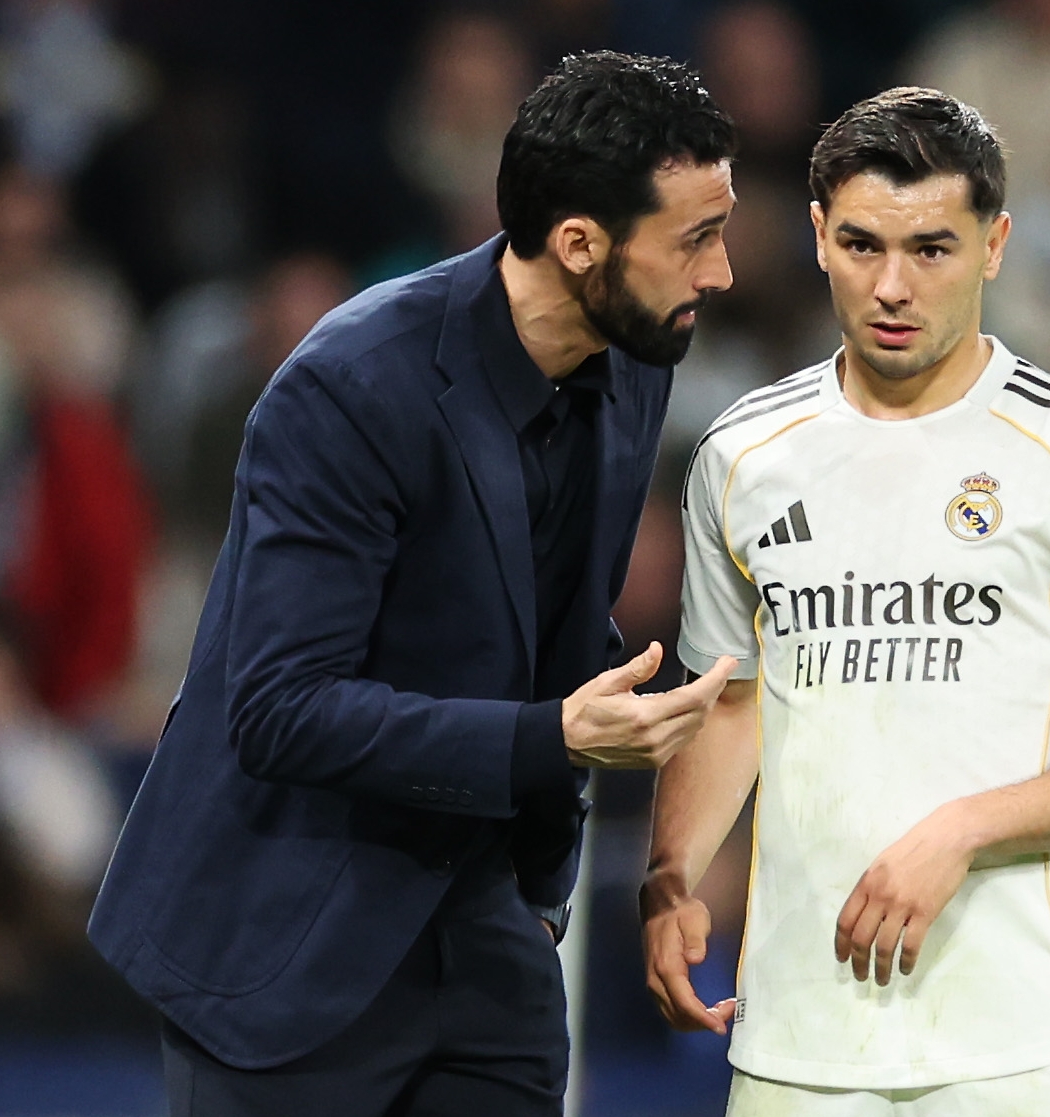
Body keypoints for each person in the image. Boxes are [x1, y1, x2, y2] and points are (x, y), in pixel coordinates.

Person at [89, 52, 740, 1117]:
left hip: (487, 944)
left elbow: (560, 620)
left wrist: (538, 890)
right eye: (694, 238)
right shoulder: (349, 390)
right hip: (287, 953)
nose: (718, 272)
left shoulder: (636, 356)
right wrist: (553, 741)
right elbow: (279, 710)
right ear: (578, 244)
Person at [645, 88, 1050, 1116]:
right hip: (797, 1047)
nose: (891, 286)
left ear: (994, 246)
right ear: (816, 236)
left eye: (932, 249)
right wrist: (671, 876)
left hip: (1026, 1046)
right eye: (860, 245)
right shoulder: (740, 456)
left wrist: (962, 829)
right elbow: (731, 701)